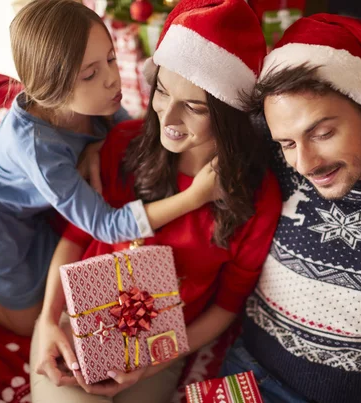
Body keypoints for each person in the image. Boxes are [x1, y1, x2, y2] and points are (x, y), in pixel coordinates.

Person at [0, 0, 218, 336]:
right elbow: (108, 226)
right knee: (26, 322)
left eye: (110, 58)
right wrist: (195, 197)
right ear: (52, 89)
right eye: (91, 74)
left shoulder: (96, 100)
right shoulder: (38, 147)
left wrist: (99, 143)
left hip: (22, 209)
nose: (112, 80)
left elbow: (129, 135)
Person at [29, 0, 282, 401]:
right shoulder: (121, 145)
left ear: (230, 115)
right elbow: (75, 238)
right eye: (162, 91)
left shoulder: (259, 195)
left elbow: (227, 306)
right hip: (78, 322)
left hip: (162, 345)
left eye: (195, 107)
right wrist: (46, 321)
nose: (168, 116)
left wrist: (157, 360)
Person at [220, 14, 361, 403]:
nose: (306, 164)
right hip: (247, 376)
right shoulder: (281, 169)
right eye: (286, 143)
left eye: (322, 133)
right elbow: (197, 106)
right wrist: (102, 145)